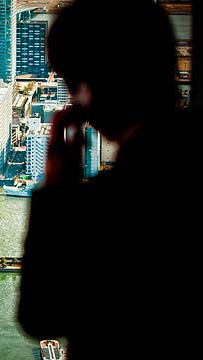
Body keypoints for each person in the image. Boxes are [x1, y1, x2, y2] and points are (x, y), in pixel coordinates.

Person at [17, 1, 199, 359]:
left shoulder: (120, 200)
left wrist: (57, 192)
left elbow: (41, 317)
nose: (72, 99)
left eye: (73, 83)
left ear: (94, 86)